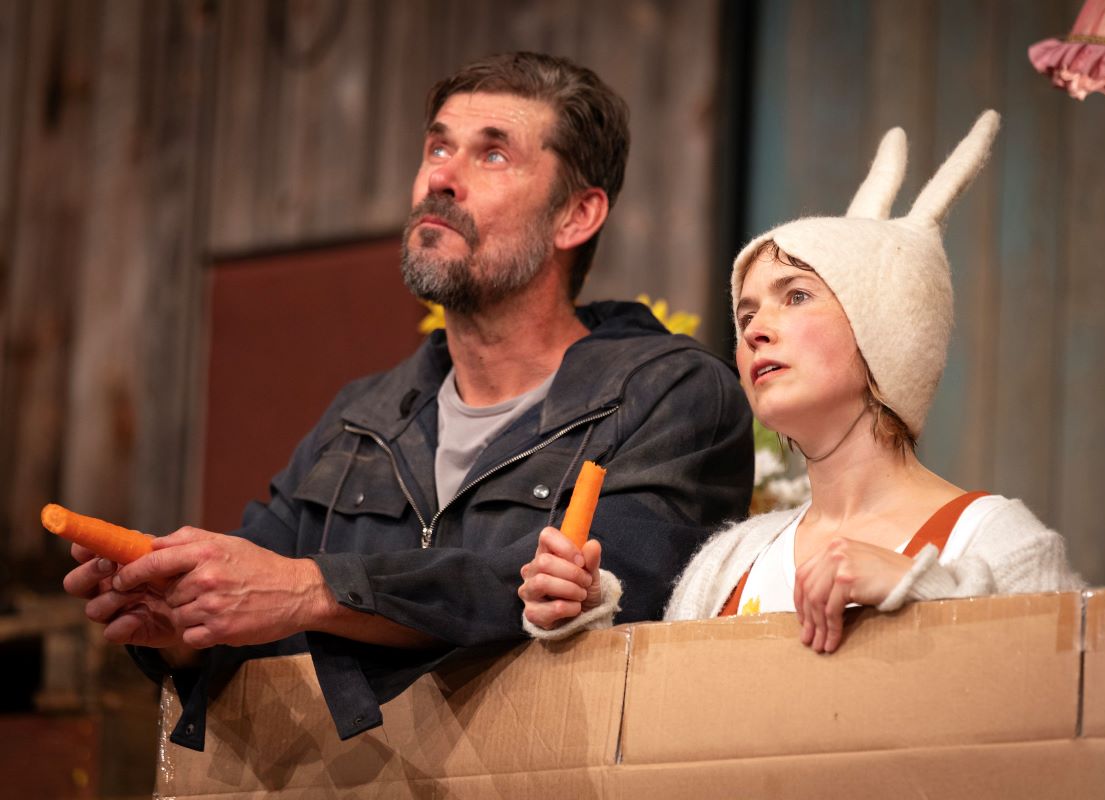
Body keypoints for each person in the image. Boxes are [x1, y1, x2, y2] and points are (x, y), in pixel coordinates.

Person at [63, 51, 754, 749]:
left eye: (493, 155)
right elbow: (256, 598)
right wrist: (185, 627)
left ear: (576, 216)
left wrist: (313, 590)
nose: (440, 178)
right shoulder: (361, 418)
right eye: (438, 148)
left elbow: (595, 594)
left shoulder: (668, 395)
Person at [520, 110, 1083, 651]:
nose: (755, 329)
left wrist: (921, 589)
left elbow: (1057, 684)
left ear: (884, 326)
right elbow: (668, 708)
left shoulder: (998, 540)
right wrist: (583, 614)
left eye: (796, 296)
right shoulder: (729, 563)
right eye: (745, 314)